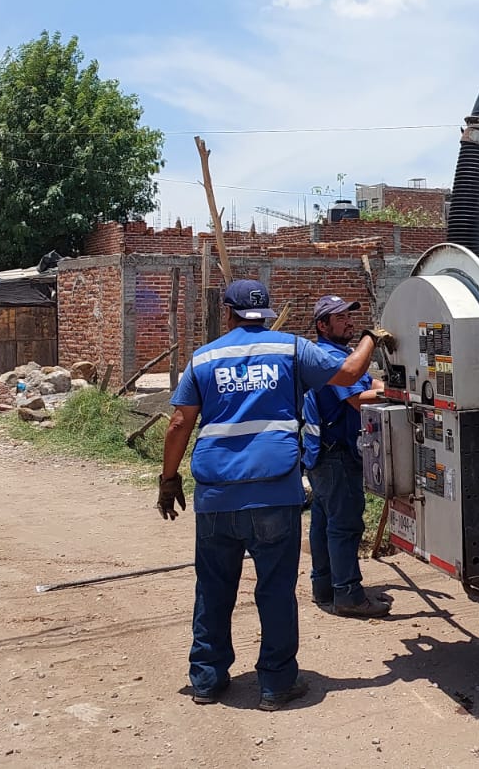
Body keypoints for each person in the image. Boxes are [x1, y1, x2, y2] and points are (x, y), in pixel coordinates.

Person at [158, 279, 393, 711]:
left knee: (212, 589)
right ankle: (277, 684)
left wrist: (168, 477)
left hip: (217, 498)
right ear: (267, 313)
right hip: (275, 493)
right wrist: (367, 338)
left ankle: (207, 680)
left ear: (227, 313)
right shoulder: (291, 349)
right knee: (275, 590)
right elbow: (350, 374)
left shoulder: (205, 357)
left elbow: (178, 423)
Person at [305, 295, 391, 618]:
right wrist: (403, 396)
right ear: (322, 326)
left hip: (322, 456)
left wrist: (396, 386)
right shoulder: (330, 357)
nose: (348, 322)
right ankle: (349, 596)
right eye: (339, 318)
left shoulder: (337, 354)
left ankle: (325, 587)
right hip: (336, 456)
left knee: (325, 522)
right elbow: (358, 399)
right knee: (345, 525)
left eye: (348, 316)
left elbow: (371, 382)